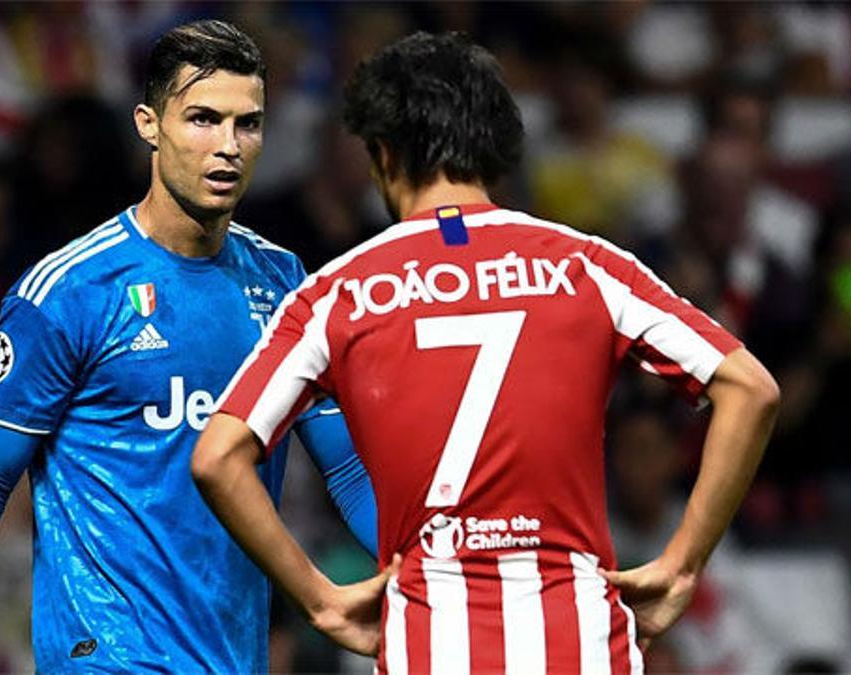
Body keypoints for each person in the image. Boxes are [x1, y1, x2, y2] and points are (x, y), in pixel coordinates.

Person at [193, 31, 780, 673]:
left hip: (432, 647)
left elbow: (219, 457)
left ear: (383, 154)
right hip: (581, 642)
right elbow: (750, 388)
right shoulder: (588, 267)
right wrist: (680, 566)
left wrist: (321, 602)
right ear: (496, 149)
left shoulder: (336, 295)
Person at [0, 19, 376, 674]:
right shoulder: (67, 292)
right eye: (203, 119)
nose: (229, 146)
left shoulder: (282, 281)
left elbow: (345, 467)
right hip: (103, 654)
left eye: (248, 124)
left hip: (232, 653)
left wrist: (426, 570)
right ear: (149, 124)